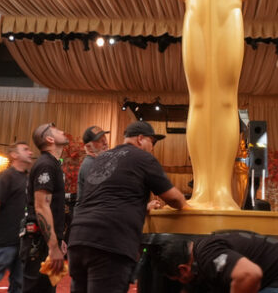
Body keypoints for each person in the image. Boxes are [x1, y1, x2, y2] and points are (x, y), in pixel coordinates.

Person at [167, 0, 264, 210]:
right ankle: (202, 190)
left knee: (225, 100)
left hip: (228, 17)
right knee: (198, 100)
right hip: (194, 20)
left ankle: (221, 190)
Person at [68, 121, 188, 293]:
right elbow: (175, 199)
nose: (152, 148)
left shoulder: (101, 159)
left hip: (78, 239)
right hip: (110, 242)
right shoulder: (142, 158)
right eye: (152, 142)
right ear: (140, 139)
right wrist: (186, 203)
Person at [154, 231, 278, 292]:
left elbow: (250, 274)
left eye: (178, 279)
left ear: (183, 269)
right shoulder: (200, 255)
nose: (182, 283)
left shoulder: (207, 254)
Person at [0, 142, 34, 293]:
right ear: (14, 155)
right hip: (4, 242)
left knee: (19, 284)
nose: (30, 152)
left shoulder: (28, 178)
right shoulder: (6, 176)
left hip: (21, 242)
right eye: (26, 149)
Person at [24, 123, 70, 293]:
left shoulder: (53, 164)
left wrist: (58, 239)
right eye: (57, 130)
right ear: (50, 139)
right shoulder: (46, 165)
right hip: (39, 243)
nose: (62, 131)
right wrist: (53, 247)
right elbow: (41, 206)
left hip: (45, 241)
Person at [77, 125, 110, 201]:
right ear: (89, 147)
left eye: (105, 138)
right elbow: (99, 197)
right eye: (100, 141)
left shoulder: (97, 162)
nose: (105, 143)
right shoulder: (91, 165)